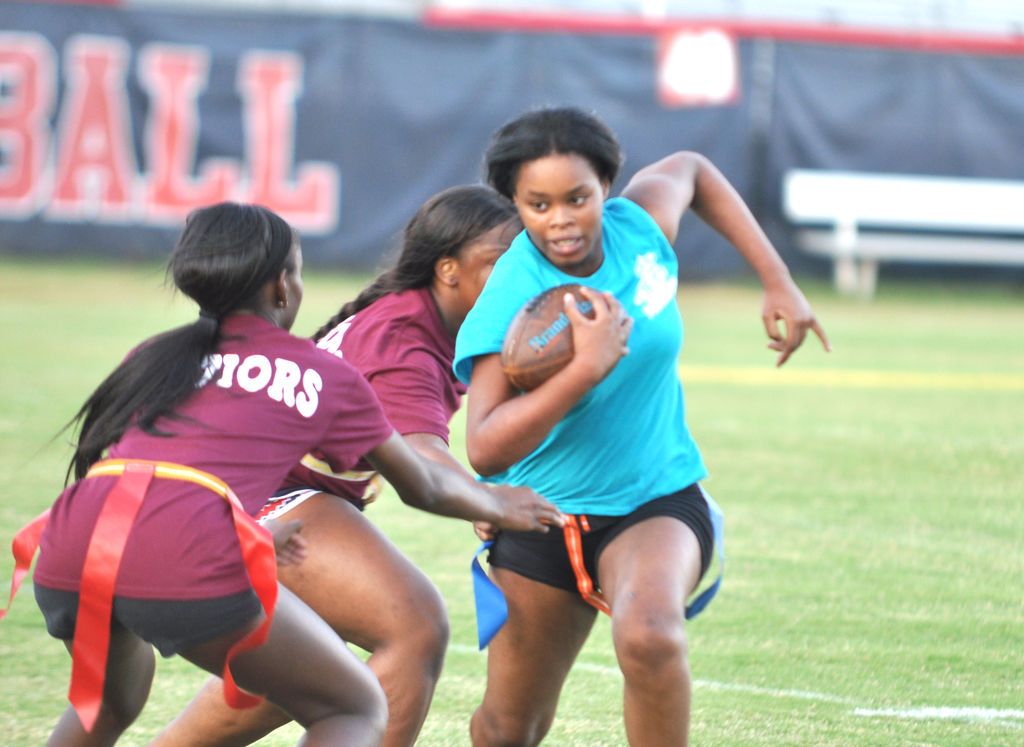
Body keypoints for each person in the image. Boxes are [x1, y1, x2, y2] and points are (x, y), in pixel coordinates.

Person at [15, 201, 560, 746]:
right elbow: (422, 480)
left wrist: (231, 527)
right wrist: (497, 503)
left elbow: (116, 458)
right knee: (357, 703)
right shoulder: (337, 367)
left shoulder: (155, 353)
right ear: (282, 286)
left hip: (72, 539)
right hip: (182, 540)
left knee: (109, 703)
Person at [453, 106, 831, 746]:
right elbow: (485, 450)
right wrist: (583, 368)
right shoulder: (512, 293)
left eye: (578, 197)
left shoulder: (641, 227)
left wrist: (778, 281)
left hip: (655, 498)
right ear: (515, 203)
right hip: (542, 517)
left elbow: (695, 170)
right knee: (507, 728)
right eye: (538, 204)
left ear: (607, 185)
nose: (562, 220)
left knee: (650, 635)